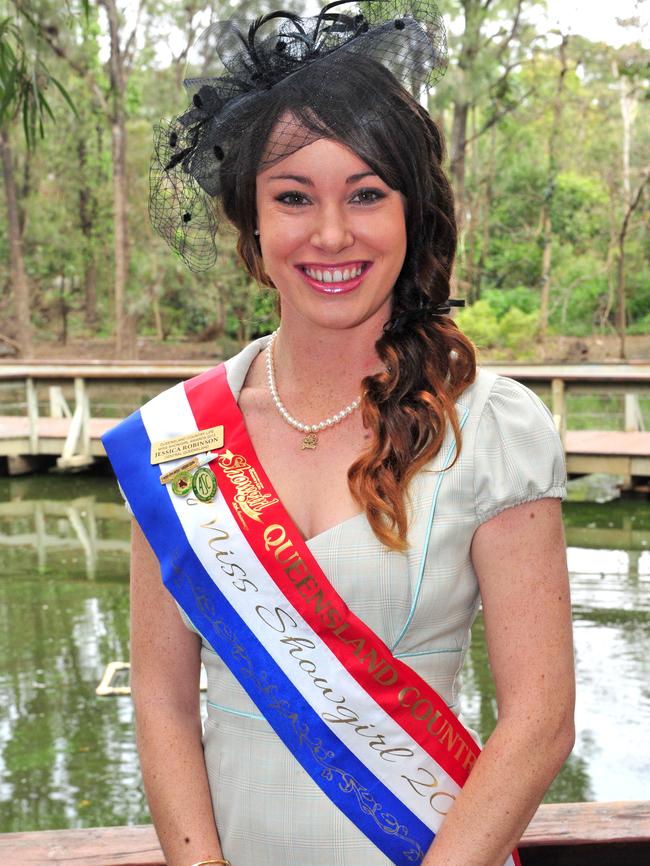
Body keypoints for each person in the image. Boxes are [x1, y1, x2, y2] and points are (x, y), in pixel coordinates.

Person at [104, 3, 575, 866]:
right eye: (293, 198)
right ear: (252, 221)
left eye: (366, 194)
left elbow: (540, 720)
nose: (330, 234)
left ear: (413, 214)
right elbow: (163, 701)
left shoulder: (493, 427)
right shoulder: (178, 441)